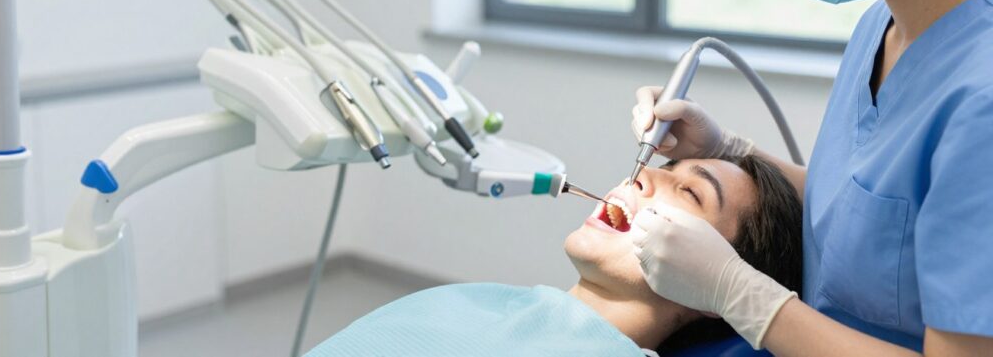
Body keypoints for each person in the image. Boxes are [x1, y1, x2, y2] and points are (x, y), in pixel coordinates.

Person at [629, 0, 993, 356]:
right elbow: (871, 216)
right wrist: (728, 151)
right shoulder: (885, 24)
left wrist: (739, 294)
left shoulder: (982, 95)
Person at [306, 155, 802, 356]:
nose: (644, 175)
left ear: (715, 280)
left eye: (691, 193)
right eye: (662, 166)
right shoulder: (471, 299)